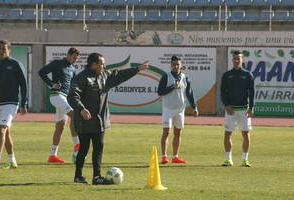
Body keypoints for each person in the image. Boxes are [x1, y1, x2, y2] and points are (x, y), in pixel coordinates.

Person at [67, 53, 148, 185]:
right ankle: (78, 176)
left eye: (104, 63)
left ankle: (97, 177)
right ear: (93, 65)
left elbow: (120, 75)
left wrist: (137, 69)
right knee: (84, 149)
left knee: (98, 147)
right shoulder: (81, 78)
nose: (104, 66)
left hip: (100, 122)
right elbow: (72, 96)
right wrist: (81, 109)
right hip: (85, 121)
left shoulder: (105, 75)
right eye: (101, 64)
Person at [38, 47, 80, 163]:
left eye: (76, 59)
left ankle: (52, 155)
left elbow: (75, 84)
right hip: (56, 96)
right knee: (74, 115)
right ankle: (77, 145)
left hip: (65, 98)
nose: (74, 60)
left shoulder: (72, 68)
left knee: (60, 125)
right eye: (74, 58)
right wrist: (52, 84)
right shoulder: (57, 63)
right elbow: (41, 72)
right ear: (68, 55)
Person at [157, 55, 198, 164]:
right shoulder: (166, 77)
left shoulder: (185, 77)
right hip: (168, 109)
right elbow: (160, 92)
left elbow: (189, 93)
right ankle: (164, 156)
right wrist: (172, 87)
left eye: (178, 64)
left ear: (181, 65)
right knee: (166, 132)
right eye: (174, 64)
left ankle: (175, 156)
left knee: (178, 133)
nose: (176, 66)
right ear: (171, 65)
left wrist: (194, 107)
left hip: (180, 109)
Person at [0, 40, 28, 170]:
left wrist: (24, 104)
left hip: (12, 103)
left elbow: (24, 85)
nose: (2, 51)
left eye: (4, 48)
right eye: (0, 48)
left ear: (9, 50)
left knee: (1, 130)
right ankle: (12, 160)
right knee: (6, 132)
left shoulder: (15, 64)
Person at [220, 50, 255, 167]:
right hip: (231, 111)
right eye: (234, 59)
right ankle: (228, 159)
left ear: (242, 60)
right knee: (228, 134)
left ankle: (245, 160)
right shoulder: (226, 75)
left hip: (244, 110)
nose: (236, 61)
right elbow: (222, 92)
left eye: (238, 58)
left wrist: (251, 107)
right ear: (232, 60)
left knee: (246, 134)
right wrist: (226, 105)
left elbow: (252, 93)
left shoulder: (248, 75)